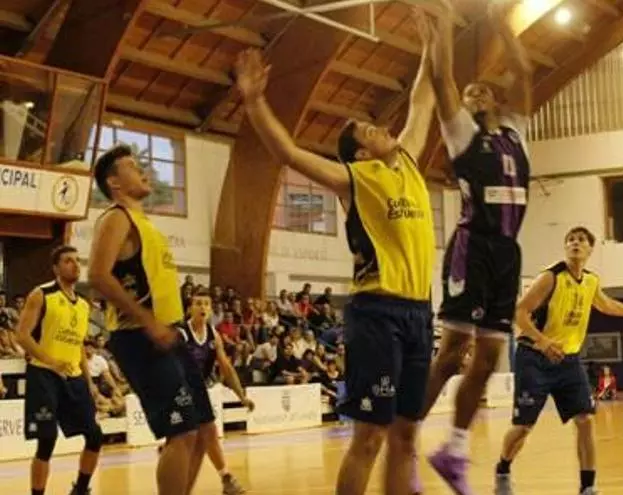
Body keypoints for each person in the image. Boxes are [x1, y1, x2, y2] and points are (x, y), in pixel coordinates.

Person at [233, 8, 439, 494]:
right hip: (378, 314)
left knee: (406, 436)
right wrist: (255, 103)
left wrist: (433, 44)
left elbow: (423, 97)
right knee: (370, 438)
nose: (380, 128)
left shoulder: (408, 162)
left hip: (418, 313)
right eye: (368, 130)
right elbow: (287, 153)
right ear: (361, 153)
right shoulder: (354, 178)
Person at [416, 2, 535, 492]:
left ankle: (455, 450)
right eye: (469, 92)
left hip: (507, 253)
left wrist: (501, 24)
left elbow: (524, 71)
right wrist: (443, 26)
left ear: (496, 99)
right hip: (473, 246)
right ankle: (405, 440)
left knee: (486, 360)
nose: (474, 93)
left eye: (482, 89)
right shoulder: (461, 132)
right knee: (450, 356)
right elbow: (441, 78)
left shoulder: (516, 132)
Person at [493, 227, 623, 495]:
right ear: (565, 247)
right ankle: (503, 469)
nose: (575, 243)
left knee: (585, 420)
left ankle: (588, 486)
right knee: (523, 427)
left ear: (590, 249)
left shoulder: (591, 282)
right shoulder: (551, 277)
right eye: (571, 239)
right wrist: (543, 341)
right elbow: (520, 312)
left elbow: (608, 306)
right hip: (533, 357)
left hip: (568, 360)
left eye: (581, 240)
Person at [89, 146, 210, 495]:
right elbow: (97, 274)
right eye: (131, 166)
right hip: (141, 335)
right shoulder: (116, 218)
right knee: (181, 431)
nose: (142, 169)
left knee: (202, 430)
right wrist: (148, 320)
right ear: (114, 183)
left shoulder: (145, 224)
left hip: (169, 333)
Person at [15, 245, 103, 495]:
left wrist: (89, 382)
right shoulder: (41, 294)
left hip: (74, 377)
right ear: (55, 268)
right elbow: (22, 335)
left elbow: (78, 347)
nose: (75, 265)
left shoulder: (83, 305)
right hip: (44, 374)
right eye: (68, 261)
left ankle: (81, 489)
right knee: (47, 441)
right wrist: (51, 361)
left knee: (95, 436)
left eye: (77, 260)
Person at [176, 290, 255, 495]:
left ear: (211, 309)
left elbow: (226, 368)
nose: (202, 307)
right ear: (189, 309)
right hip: (179, 390)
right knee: (193, 439)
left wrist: (241, 396)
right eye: (198, 303)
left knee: (207, 435)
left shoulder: (213, 335)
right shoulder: (181, 333)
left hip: (198, 389)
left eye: (206, 304)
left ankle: (225, 478)